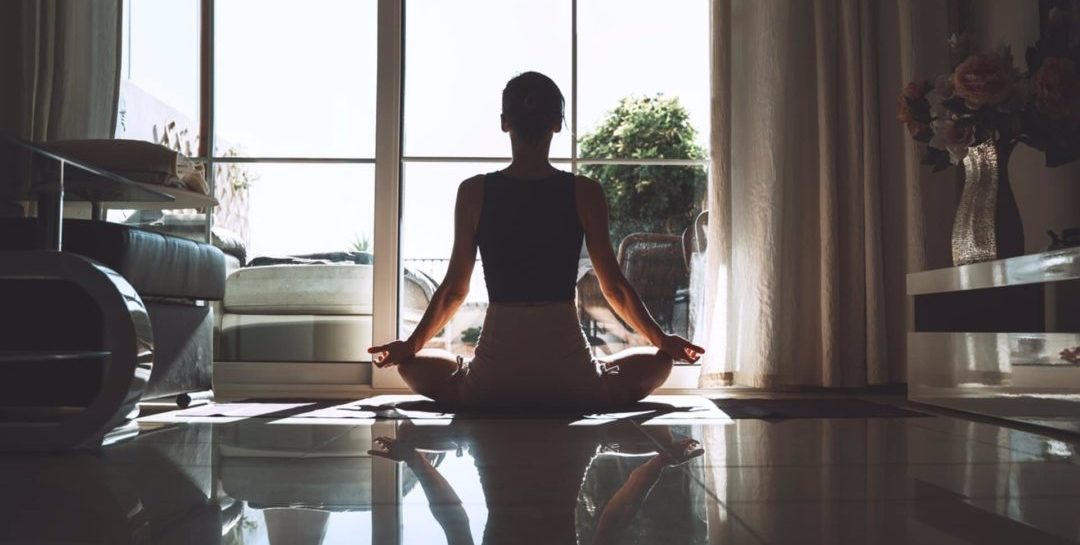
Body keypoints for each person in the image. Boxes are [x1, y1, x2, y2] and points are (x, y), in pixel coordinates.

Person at [368, 71, 704, 409]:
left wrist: (410, 346)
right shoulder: (585, 191)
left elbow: (455, 290)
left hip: (493, 382)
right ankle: (594, 379)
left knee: (411, 366)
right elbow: (614, 288)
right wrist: (663, 340)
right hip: (573, 379)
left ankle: (476, 381)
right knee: (658, 361)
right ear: (557, 124)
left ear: (505, 123)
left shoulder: (473, 191)